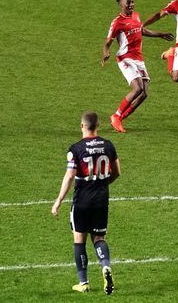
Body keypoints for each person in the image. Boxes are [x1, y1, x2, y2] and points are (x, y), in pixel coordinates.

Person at [51, 112, 120, 295]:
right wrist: (102, 183)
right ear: (98, 126)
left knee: (79, 240)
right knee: (99, 239)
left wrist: (58, 201)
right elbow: (117, 172)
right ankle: (105, 267)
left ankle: (84, 283)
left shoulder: (76, 149)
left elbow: (70, 176)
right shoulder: (108, 145)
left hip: (82, 201)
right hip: (101, 200)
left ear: (82, 126)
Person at [101, 0, 174, 133]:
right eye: (128, 3)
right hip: (125, 58)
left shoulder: (136, 15)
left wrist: (160, 34)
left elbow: (140, 31)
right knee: (137, 88)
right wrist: (106, 52)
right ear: (121, 5)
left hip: (138, 58)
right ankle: (116, 116)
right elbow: (108, 42)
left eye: (132, 2)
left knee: (144, 93)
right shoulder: (117, 22)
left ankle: (121, 117)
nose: (131, 5)